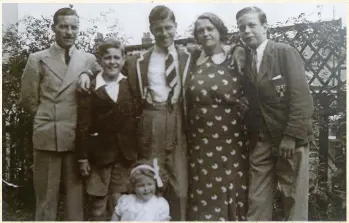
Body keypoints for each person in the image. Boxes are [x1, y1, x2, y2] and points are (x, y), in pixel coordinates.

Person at [19, 8, 100, 220]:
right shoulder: (37, 59)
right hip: (48, 136)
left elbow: (105, 79)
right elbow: (28, 99)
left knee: (76, 201)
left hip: (75, 138)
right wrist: (48, 118)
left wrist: (86, 72)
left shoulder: (88, 59)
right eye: (63, 26)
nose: (69, 32)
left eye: (74, 27)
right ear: (54, 28)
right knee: (46, 199)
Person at [236, 6, 314, 221]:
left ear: (265, 26)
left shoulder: (283, 52)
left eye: (252, 25)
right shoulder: (247, 59)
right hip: (261, 140)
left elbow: (301, 98)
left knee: (293, 198)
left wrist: (290, 136)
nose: (247, 30)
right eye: (242, 27)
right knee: (257, 198)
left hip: (289, 139)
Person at [185, 13, 248, 221]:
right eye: (200, 30)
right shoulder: (193, 60)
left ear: (220, 31)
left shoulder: (235, 57)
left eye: (210, 29)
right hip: (200, 143)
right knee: (204, 193)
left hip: (230, 142)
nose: (205, 33)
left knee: (230, 191)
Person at [75, 39, 138, 220]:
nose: (112, 62)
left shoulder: (130, 84)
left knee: (120, 203)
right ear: (100, 60)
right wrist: (82, 157)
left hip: (125, 155)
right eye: (108, 58)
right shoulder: (91, 86)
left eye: (117, 57)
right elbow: (83, 124)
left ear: (124, 60)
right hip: (99, 156)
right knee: (97, 204)